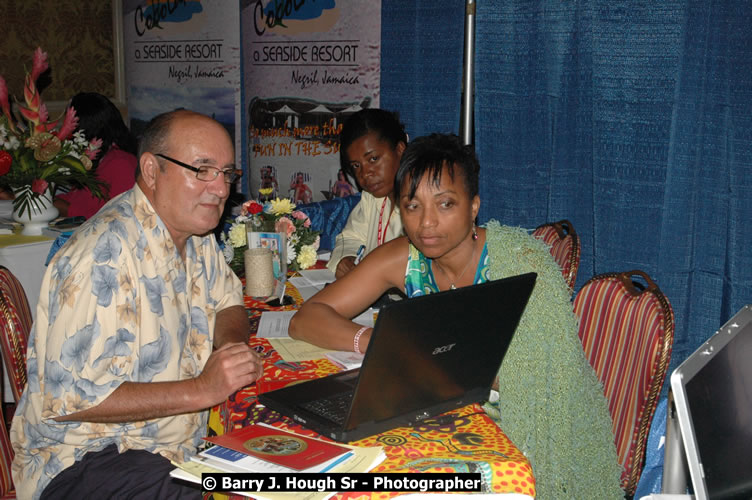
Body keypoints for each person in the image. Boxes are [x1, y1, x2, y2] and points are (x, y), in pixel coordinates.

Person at [290, 133, 623, 500]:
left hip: (519, 433)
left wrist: (442, 365)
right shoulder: (403, 258)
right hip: (438, 416)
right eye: (413, 206)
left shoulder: (519, 262)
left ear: (474, 206)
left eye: (445, 204)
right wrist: (376, 343)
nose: (427, 223)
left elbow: (551, 380)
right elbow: (306, 319)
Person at [10, 109, 263, 499]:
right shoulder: (103, 255)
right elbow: (71, 399)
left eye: (227, 173)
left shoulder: (195, 234)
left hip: (168, 448)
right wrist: (202, 389)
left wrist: (229, 350)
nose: (221, 189)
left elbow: (228, 302)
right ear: (150, 170)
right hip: (85, 460)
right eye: (202, 170)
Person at [326, 108, 407, 278]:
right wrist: (346, 258)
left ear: (400, 150)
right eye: (356, 165)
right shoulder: (371, 197)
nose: (365, 174)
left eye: (373, 159)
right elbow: (349, 237)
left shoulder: (422, 202)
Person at [54, 92, 138, 219]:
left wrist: (63, 208)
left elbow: (123, 217)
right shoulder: (97, 158)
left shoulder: (121, 163)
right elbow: (77, 199)